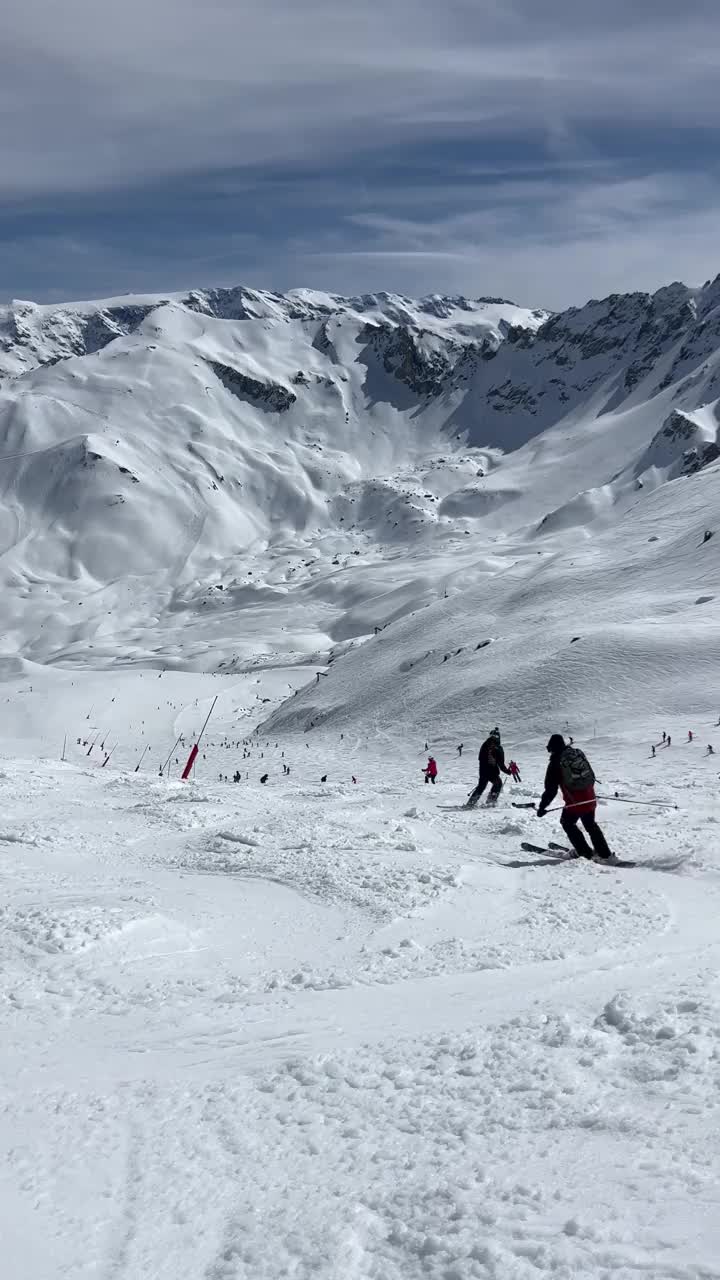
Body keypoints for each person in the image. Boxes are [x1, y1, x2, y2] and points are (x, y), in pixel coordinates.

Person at [537, 735, 612, 860]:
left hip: (575, 802)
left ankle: (584, 852)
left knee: (567, 822)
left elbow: (551, 790)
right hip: (590, 798)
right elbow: (591, 775)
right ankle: (605, 854)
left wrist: (542, 807)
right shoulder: (577, 754)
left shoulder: (556, 762)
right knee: (590, 824)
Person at [465, 729, 511, 807]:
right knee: (497, 784)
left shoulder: (485, 745)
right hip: (490, 771)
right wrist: (507, 771)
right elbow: (500, 763)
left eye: (495, 736)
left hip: (484, 771)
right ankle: (490, 801)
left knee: (482, 786)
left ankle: (471, 803)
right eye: (492, 736)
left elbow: (480, 759)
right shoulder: (497, 748)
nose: (493, 738)